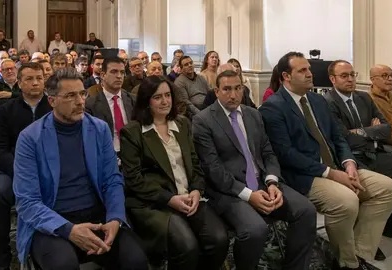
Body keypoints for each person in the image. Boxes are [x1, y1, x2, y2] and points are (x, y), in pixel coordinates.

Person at [259, 52, 392, 270]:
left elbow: (338, 137)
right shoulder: (274, 106)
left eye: (308, 68)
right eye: (302, 70)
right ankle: (349, 264)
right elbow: (286, 154)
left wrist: (349, 163)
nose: (310, 73)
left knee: (388, 189)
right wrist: (331, 173)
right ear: (286, 76)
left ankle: (357, 254)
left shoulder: (317, 100)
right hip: (305, 175)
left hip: (337, 166)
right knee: (346, 201)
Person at [13, 67, 148, 269]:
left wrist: (115, 218)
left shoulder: (99, 129)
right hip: (53, 221)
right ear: (52, 101)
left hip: (96, 216)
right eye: (70, 96)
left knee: (136, 261)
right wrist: (69, 230)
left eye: (82, 94)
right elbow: (27, 201)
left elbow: (112, 179)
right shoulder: (30, 138)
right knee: (63, 265)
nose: (80, 102)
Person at [192, 70, 317, 270]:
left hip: (263, 183)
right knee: (255, 229)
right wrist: (250, 196)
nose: (233, 95)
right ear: (216, 91)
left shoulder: (253, 114)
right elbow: (213, 169)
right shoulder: (203, 121)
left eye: (237, 88)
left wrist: (272, 182)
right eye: (226, 89)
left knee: (306, 211)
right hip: (230, 191)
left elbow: (268, 152)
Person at [120, 75, 228, 269]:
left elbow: (195, 164)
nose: (165, 101)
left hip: (188, 197)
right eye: (157, 97)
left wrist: (196, 190)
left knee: (219, 239)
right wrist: (169, 199)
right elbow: (134, 179)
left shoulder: (182, 123)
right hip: (155, 203)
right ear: (146, 101)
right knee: (187, 245)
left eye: (168, 95)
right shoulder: (133, 132)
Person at [324, 60, 392, 247]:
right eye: (344, 76)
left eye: (352, 75)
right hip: (350, 157)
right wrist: (370, 131)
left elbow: (386, 128)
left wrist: (361, 131)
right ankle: (362, 241)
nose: (350, 79)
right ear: (333, 79)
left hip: (376, 151)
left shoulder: (363, 98)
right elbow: (344, 138)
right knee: (376, 189)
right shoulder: (327, 102)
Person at [0, 62, 52, 270]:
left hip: (50, 170)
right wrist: (23, 171)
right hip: (13, 169)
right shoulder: (5, 111)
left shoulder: (55, 107)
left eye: (39, 78)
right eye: (29, 79)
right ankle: (0, 259)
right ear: (19, 84)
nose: (35, 83)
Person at [85, 58, 135, 153]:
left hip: (132, 153)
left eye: (122, 72)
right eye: (114, 72)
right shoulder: (91, 104)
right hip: (105, 153)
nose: (119, 76)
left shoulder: (133, 100)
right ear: (103, 75)